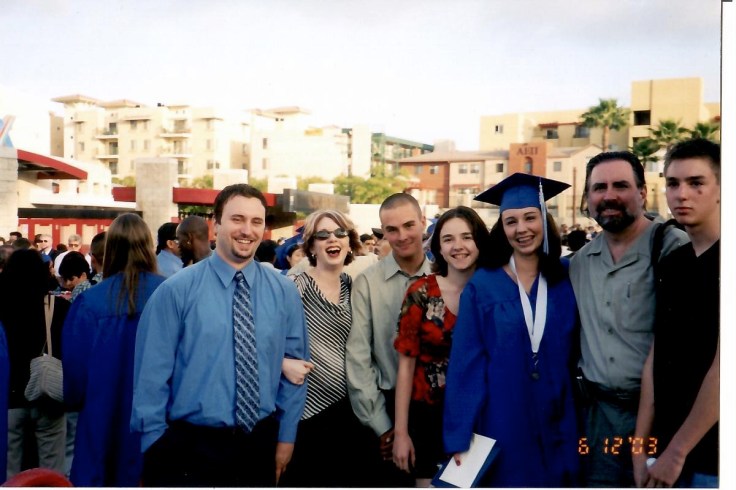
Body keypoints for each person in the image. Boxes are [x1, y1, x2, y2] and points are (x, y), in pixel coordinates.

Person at [131, 184, 309, 487]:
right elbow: (151, 376)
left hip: (259, 444)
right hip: (189, 448)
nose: (247, 230)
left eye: (256, 221)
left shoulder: (283, 291)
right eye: (237, 219)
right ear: (216, 224)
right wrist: (156, 445)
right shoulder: (176, 291)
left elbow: (296, 368)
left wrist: (286, 437)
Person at [443, 173, 580, 487]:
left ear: (544, 220)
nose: (521, 229)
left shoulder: (567, 276)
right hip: (503, 416)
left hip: (561, 412)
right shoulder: (484, 285)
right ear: (502, 228)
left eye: (530, 217)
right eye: (511, 221)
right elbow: (466, 364)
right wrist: (459, 435)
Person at [569, 151, 688, 487]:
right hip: (599, 420)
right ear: (588, 197)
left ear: (642, 192)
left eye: (620, 185)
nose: (609, 196)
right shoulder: (579, 264)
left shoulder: (674, 248)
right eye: (599, 187)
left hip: (661, 419)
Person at [633, 139, 720, 488]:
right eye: (673, 183)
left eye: (696, 183)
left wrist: (677, 451)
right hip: (664, 454)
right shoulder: (673, 263)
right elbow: (657, 355)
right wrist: (639, 447)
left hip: (712, 459)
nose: (682, 194)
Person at [61, 214, 165, 486]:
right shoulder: (170, 296)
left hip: (101, 422)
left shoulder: (88, 303)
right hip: (156, 425)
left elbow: (74, 379)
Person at [393, 206, 489, 486]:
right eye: (448, 239)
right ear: (439, 248)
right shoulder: (420, 292)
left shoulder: (493, 291)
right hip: (428, 416)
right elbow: (405, 367)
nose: (458, 246)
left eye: (466, 237)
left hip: (481, 415)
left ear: (479, 241)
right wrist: (401, 433)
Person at [279, 210, 376, 487]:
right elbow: (260, 338)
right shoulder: (295, 286)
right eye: (322, 235)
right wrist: (281, 363)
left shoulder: (352, 286)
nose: (332, 239)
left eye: (340, 233)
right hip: (305, 414)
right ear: (311, 246)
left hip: (349, 410)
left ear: (349, 242)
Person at [346, 193, 432, 487]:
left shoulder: (445, 276)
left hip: (439, 410)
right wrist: (381, 425)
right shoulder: (367, 283)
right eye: (392, 229)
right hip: (386, 407)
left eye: (409, 225)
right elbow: (358, 357)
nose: (402, 236)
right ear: (383, 231)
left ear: (423, 222)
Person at [1, 249, 66, 479]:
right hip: (48, 393)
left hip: (9, 395)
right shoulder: (57, 307)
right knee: (52, 469)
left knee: (8, 468)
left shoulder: (3, 307)